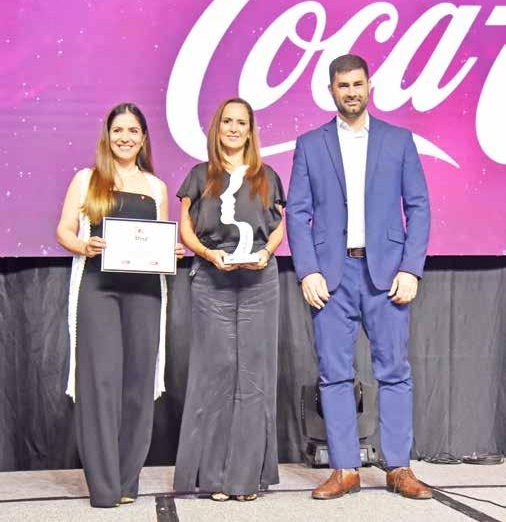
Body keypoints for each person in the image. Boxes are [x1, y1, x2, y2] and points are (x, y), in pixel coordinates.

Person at [286, 55, 432, 500]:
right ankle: (345, 469)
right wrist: (308, 270)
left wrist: (411, 268)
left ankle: (399, 468)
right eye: (342, 85)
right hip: (332, 275)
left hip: (386, 274)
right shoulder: (310, 144)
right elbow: (297, 212)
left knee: (395, 372)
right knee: (333, 373)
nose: (351, 92)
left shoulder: (398, 140)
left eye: (357, 84)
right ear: (330, 91)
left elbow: (419, 207)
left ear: (370, 87)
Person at [56, 102, 184, 508]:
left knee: (138, 385)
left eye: (133, 131)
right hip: (98, 289)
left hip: (145, 292)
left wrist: (171, 252)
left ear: (143, 138)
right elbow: (63, 231)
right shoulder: (86, 179)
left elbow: (159, 238)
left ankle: (128, 481)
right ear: (107, 136)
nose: (125, 137)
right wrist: (84, 245)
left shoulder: (156, 187)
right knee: (99, 384)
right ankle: (104, 486)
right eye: (118, 130)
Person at [174, 97, 285, 501]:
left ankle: (246, 479)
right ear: (217, 128)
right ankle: (214, 477)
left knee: (254, 377)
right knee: (215, 374)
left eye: (241, 123)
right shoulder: (199, 175)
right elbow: (185, 229)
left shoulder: (267, 176)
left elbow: (279, 226)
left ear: (251, 131)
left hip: (260, 280)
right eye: (227, 122)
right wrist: (207, 254)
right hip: (211, 279)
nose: (234, 129)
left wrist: (266, 252)